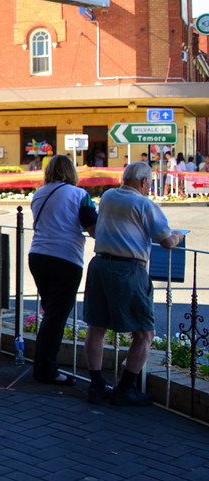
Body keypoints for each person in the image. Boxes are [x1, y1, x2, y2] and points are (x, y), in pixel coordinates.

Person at [82, 162, 184, 406]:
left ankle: (96, 387)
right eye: (149, 183)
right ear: (144, 182)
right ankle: (125, 389)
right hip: (128, 270)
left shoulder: (108, 196)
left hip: (100, 265)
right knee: (145, 333)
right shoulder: (144, 203)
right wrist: (179, 235)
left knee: (96, 328)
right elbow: (167, 241)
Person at [27, 155, 98, 386]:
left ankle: (42, 365)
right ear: (70, 171)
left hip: (38, 256)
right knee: (56, 318)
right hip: (65, 259)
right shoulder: (79, 194)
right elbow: (94, 228)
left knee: (51, 314)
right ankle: (46, 370)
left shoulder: (39, 193)